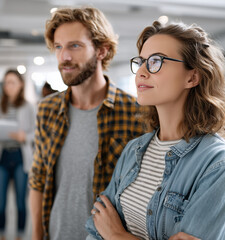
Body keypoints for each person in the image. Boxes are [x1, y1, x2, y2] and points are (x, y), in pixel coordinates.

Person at [86, 21, 225, 240]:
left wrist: (117, 235)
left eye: (155, 61)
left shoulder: (220, 162)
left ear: (192, 77)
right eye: (141, 62)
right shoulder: (135, 149)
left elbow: (107, 231)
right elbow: (95, 230)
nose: (141, 72)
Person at [29, 7, 143, 240]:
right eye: (59, 47)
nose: (64, 57)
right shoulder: (47, 110)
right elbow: (38, 179)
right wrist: (37, 235)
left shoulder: (136, 113)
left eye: (75, 46)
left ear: (102, 50)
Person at [0, 69, 35, 240]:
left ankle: (19, 236)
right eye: (6, 82)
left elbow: (37, 133)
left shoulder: (28, 107)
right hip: (2, 156)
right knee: (0, 204)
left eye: (12, 82)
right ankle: (1, 235)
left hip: (20, 157)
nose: (8, 86)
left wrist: (25, 136)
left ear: (21, 84)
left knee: (21, 204)